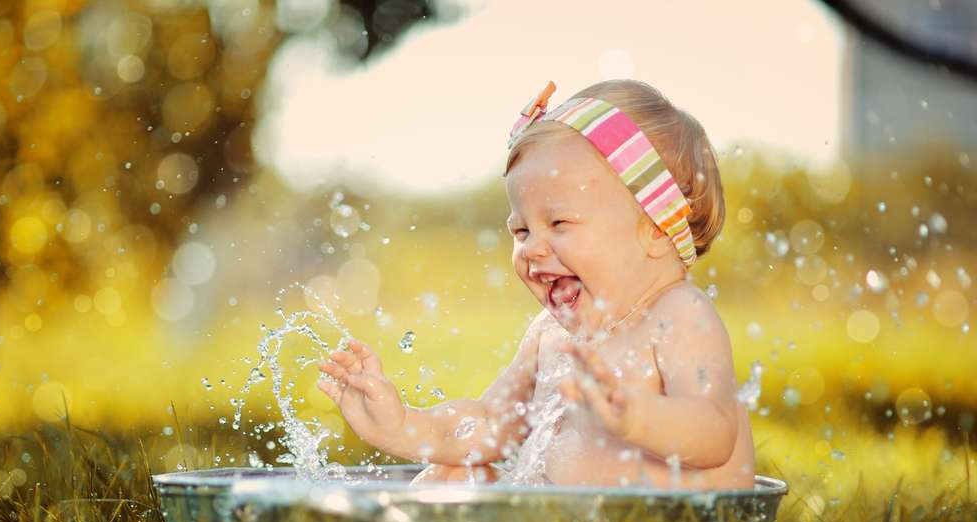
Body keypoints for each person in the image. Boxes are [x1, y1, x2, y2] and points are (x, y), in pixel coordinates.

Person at [316, 79, 755, 489]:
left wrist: (638, 417)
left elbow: (715, 431)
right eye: (521, 231)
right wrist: (402, 425)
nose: (532, 250)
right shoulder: (550, 333)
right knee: (451, 474)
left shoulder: (679, 315)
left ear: (656, 230)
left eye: (559, 223)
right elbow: (489, 422)